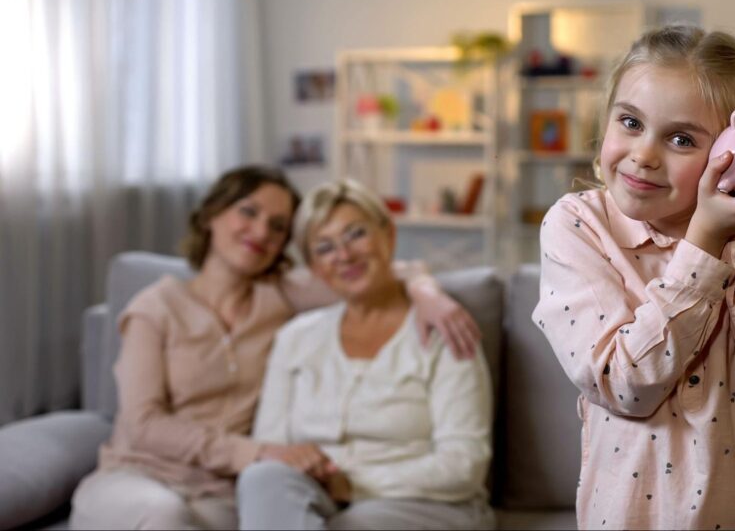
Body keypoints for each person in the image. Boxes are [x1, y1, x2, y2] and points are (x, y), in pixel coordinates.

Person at [533, 24, 735, 530]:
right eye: (630, 122)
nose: (644, 154)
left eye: (681, 138)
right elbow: (625, 386)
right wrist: (703, 243)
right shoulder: (577, 227)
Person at [70, 166, 482, 530]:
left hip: (222, 492)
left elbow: (370, 270)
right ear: (213, 214)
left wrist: (427, 292)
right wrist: (261, 452)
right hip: (146, 475)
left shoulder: (280, 296)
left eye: (278, 225)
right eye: (248, 212)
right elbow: (143, 423)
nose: (262, 231)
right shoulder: (155, 307)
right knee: (167, 516)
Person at [236, 179, 494, 530]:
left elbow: (465, 464)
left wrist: (354, 484)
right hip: (316, 497)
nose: (343, 256)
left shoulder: (445, 329)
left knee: (357, 524)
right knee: (261, 479)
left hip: (424, 502)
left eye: (356, 234)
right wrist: (298, 463)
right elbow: (271, 447)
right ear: (313, 268)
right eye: (324, 248)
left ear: (388, 235)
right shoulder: (295, 337)